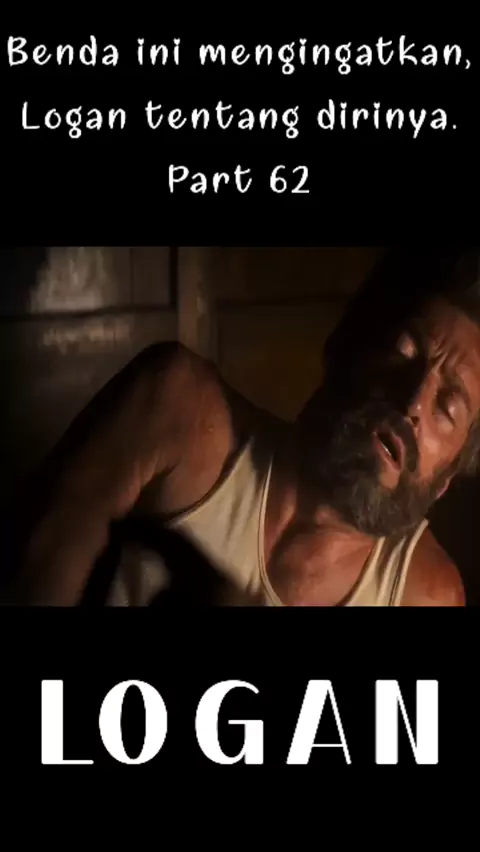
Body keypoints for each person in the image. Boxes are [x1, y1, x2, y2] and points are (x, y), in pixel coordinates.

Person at [7, 248, 480, 607]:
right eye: (402, 352)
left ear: (444, 481)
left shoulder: (426, 596)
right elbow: (34, 571)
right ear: (343, 346)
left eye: (448, 408)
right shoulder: (175, 410)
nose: (412, 402)